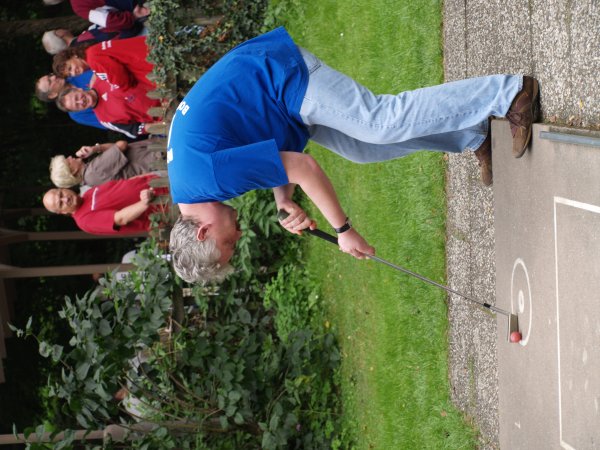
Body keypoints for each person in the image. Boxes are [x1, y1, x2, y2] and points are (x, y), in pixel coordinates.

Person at [167, 27, 539, 283]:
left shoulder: (209, 178)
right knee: (363, 148)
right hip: (277, 102)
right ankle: (474, 134)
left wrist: (343, 230)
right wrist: (283, 201)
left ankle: (509, 93)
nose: (239, 235)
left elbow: (303, 167)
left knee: (379, 122)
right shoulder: (194, 186)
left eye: (229, 243)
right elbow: (276, 159)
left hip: (280, 75)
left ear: (202, 232)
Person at [54, 36, 161, 136]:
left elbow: (123, 81)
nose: (80, 102)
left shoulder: (95, 66)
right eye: (77, 106)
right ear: (79, 111)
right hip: (164, 105)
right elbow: (136, 129)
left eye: (76, 98)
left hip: (158, 71)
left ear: (78, 89)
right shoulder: (105, 119)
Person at [42, 174, 167, 235]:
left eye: (61, 194)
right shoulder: (84, 221)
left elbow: (123, 183)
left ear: (63, 188)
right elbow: (120, 218)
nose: (65, 199)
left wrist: (148, 176)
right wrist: (144, 203)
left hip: (159, 182)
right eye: (60, 203)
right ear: (63, 212)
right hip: (162, 206)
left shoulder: (88, 193)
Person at [49, 139, 161, 188]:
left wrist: (94, 150)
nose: (69, 157)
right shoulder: (94, 170)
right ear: (73, 171)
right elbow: (122, 145)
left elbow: (116, 149)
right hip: (154, 156)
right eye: (67, 161)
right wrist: (96, 148)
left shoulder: (90, 180)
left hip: (153, 163)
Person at [43, 0, 150, 33]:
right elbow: (108, 20)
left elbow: (108, 21)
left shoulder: (79, 7)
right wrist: (132, 16)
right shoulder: (79, 6)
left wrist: (133, 16)